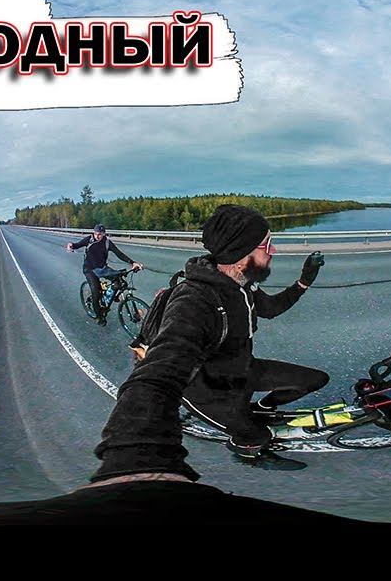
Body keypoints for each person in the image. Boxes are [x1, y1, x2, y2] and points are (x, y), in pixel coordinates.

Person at [88, 204, 327, 485]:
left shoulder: (243, 283)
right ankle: (246, 448)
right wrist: (132, 461)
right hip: (209, 392)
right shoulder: (195, 301)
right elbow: (157, 374)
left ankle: (261, 408)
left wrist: (303, 282)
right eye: (267, 244)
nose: (273, 250)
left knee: (315, 380)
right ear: (241, 255)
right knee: (259, 435)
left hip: (241, 370)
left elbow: (271, 308)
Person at [67, 223, 143, 326]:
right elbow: (77, 245)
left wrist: (133, 262)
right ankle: (99, 316)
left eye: (100, 234)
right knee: (96, 293)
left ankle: (112, 295)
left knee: (120, 281)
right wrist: (71, 245)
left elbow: (119, 254)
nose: (97, 236)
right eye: (96, 233)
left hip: (102, 268)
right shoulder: (89, 240)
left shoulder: (107, 243)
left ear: (104, 234)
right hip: (90, 270)